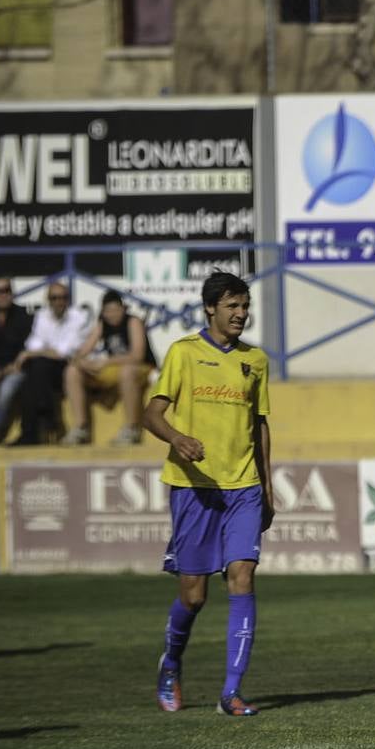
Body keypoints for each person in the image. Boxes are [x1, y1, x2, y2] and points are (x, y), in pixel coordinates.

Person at [145, 272, 274, 718]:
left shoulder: (255, 360)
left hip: (244, 487)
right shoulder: (183, 353)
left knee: (242, 576)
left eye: (245, 306)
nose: (241, 314)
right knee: (194, 596)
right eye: (232, 306)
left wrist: (267, 488)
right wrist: (178, 439)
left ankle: (231, 692)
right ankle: (171, 663)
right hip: (194, 488)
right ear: (210, 309)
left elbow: (260, 426)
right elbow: (152, 414)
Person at [61, 289, 158, 446]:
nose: (112, 314)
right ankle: (81, 428)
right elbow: (82, 352)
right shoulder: (102, 324)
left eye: (115, 310)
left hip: (142, 369)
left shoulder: (133, 321)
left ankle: (132, 429)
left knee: (127, 371)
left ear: (123, 309)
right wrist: (83, 363)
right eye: (108, 311)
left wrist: (105, 362)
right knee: (72, 371)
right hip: (115, 369)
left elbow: (137, 356)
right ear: (103, 312)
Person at [8, 281, 90, 445]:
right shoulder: (42, 316)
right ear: (48, 300)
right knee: (31, 374)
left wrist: (34, 353)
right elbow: (34, 345)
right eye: (54, 298)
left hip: (70, 368)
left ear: (68, 299)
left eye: (63, 297)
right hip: (46, 370)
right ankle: (43, 421)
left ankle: (33, 431)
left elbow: (64, 352)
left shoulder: (79, 317)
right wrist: (37, 353)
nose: (59, 301)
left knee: (37, 368)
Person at [0, 276, 33, 443]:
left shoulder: (24, 316)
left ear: (12, 292)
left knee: (7, 388)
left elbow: (27, 351)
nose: (2, 295)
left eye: (6, 290)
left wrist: (1, 373)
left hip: (19, 368)